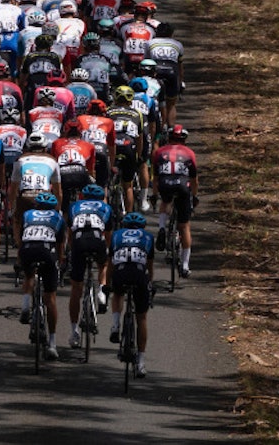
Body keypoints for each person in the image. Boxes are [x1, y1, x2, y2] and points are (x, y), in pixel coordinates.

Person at [18, 191, 66, 361]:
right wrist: (60, 263)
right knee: (50, 297)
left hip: (27, 250)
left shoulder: (27, 214)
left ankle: (25, 306)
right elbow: (60, 244)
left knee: (29, 274)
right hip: (47, 252)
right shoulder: (58, 217)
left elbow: (22, 237)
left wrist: (19, 259)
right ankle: (52, 343)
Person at [108, 211, 155, 377]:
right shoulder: (148, 237)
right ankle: (141, 362)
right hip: (139, 273)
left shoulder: (116, 235)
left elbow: (111, 263)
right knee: (141, 317)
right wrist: (150, 284)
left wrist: (108, 285)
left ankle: (115, 325)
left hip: (120, 272)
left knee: (118, 294)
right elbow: (149, 266)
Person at [67, 183, 112, 348]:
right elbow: (108, 234)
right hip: (96, 240)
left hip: (79, 241)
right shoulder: (105, 207)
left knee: (76, 288)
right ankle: (101, 291)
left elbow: (70, 234)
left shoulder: (74, 207)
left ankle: (74, 332)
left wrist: (70, 254)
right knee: (104, 264)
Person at [153, 125, 198, 278]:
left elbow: (156, 178)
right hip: (182, 186)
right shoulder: (189, 153)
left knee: (165, 202)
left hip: (165, 183)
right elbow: (194, 179)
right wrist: (195, 195)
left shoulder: (159, 152)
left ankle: (161, 228)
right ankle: (185, 265)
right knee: (184, 226)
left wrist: (154, 194)